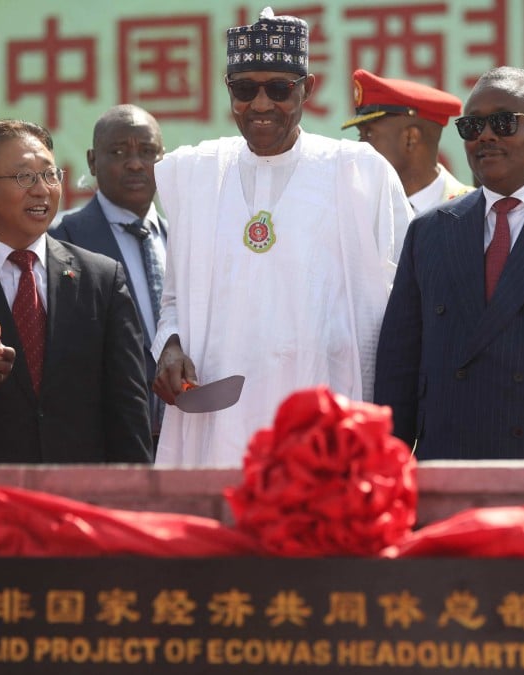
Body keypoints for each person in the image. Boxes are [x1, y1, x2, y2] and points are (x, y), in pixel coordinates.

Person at [151, 7, 412, 468]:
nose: (260, 105)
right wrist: (169, 345)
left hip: (324, 417)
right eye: (244, 90)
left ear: (307, 88)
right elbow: (173, 300)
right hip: (219, 423)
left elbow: (402, 309)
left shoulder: (358, 174)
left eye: (278, 89)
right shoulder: (198, 174)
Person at [373, 66, 524, 460]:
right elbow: (398, 369)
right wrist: (388, 468)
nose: (485, 136)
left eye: (504, 123)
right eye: (472, 126)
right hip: (450, 466)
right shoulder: (431, 231)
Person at [0, 119, 152, 463]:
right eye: (24, 177)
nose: (41, 190)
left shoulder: (101, 278)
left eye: (50, 174)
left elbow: (128, 407)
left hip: (80, 487)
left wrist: (136, 486)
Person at [51, 104, 167, 444]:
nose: (135, 163)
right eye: (118, 152)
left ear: (164, 159)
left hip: (181, 430)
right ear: (92, 161)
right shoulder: (62, 239)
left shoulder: (182, 237)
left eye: (148, 152)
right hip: (104, 433)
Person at [342, 69, 473, 214]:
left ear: (410, 138)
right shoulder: (361, 211)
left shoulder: (473, 211)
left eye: (369, 134)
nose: (360, 145)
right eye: (360, 134)